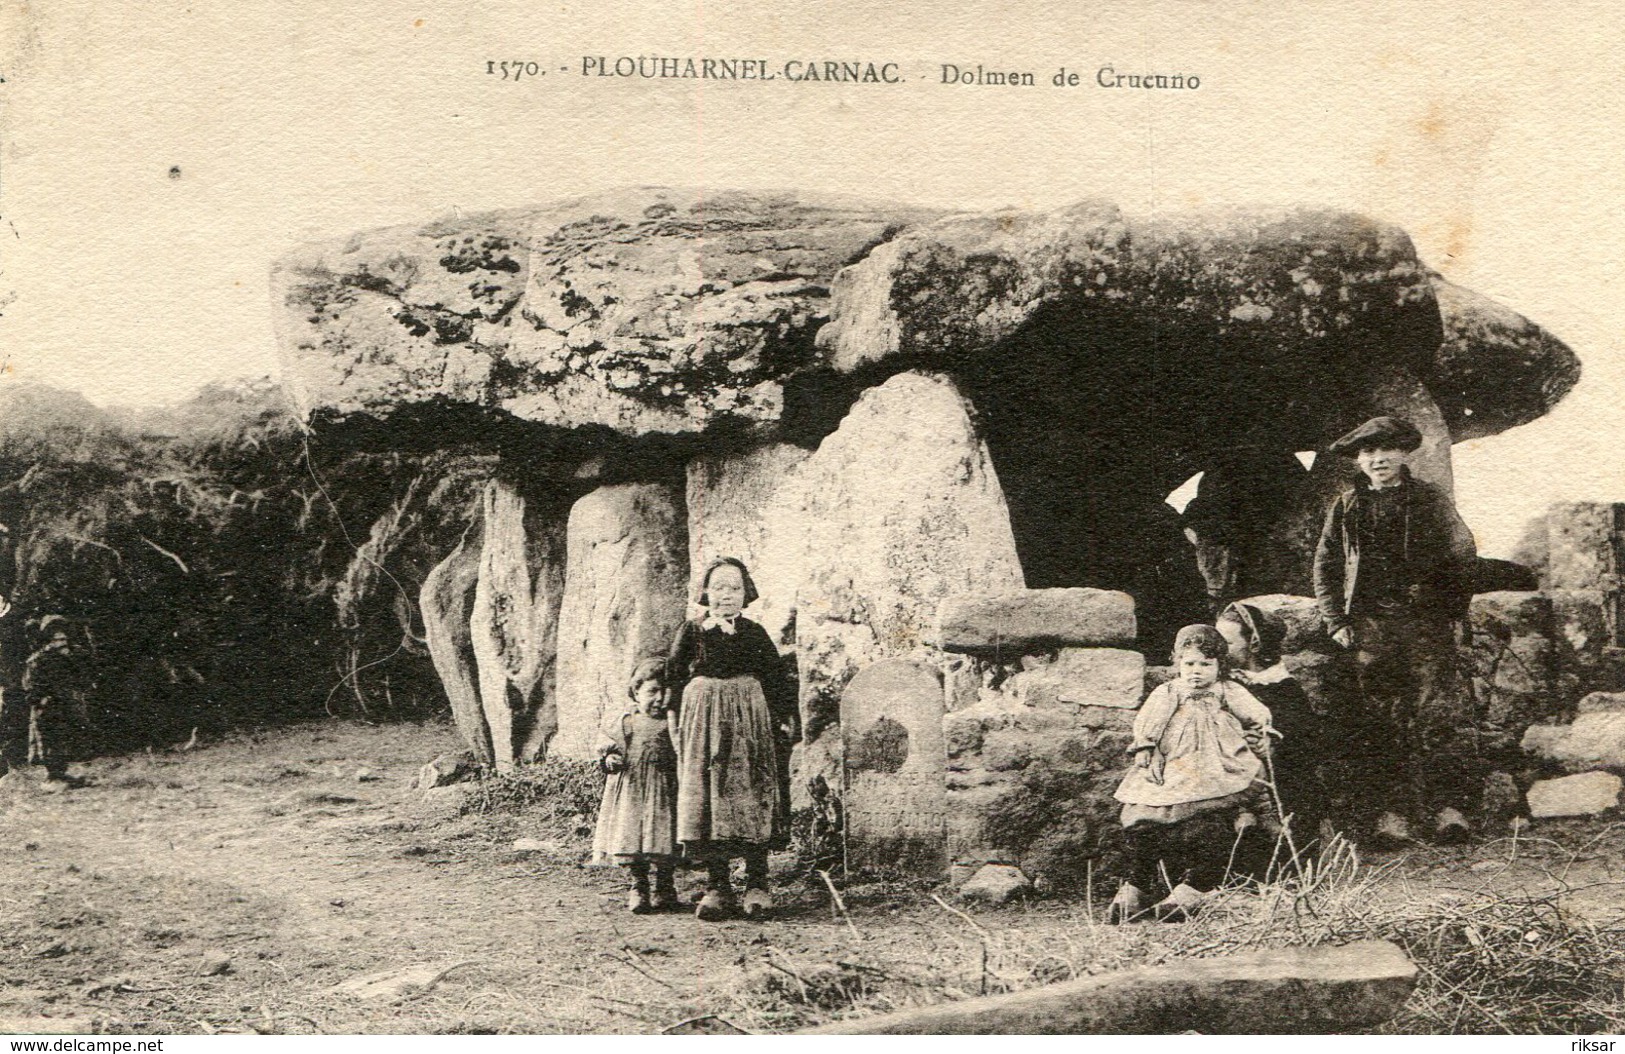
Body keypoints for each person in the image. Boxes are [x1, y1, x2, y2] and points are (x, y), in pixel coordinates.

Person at [1312, 416, 1477, 847]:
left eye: (1386, 451)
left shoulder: (1429, 500)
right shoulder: (1347, 505)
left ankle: (1448, 811)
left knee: (1436, 716)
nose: (1377, 459)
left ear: (1405, 454)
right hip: (1371, 627)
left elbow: (1461, 554)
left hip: (1425, 625)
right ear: (1359, 459)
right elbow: (1326, 566)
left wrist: (1448, 608)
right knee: (1381, 720)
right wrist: (1336, 621)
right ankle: (1392, 816)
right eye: (1368, 452)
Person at [1109, 624, 1275, 923]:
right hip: (1176, 763)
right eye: (1189, 664)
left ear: (1219, 665)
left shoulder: (1227, 690)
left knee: (1215, 811)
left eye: (1205, 665)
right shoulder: (1168, 691)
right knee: (1149, 812)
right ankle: (1137, 890)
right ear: (1177, 663)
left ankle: (1193, 889)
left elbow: (1255, 712)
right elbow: (1149, 720)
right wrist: (1145, 746)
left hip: (1218, 761)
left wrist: (1261, 731)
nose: (1196, 672)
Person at [667, 557, 797, 921]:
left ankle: (757, 883)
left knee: (750, 795)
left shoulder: (754, 633)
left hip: (749, 727)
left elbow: (776, 679)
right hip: (702, 726)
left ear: (746, 594)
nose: (727, 595)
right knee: (708, 798)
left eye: (735, 588)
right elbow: (673, 682)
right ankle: (717, 886)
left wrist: (785, 720)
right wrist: (675, 727)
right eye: (719, 587)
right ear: (705, 592)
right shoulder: (690, 632)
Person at [1216, 601, 1331, 857]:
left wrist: (1276, 744)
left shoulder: (1283, 688)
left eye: (1227, 643)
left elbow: (1308, 744)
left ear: (1254, 644)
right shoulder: (1217, 684)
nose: (1218, 651)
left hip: (1279, 782)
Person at [592, 657, 681, 914]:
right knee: (631, 833)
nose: (659, 699)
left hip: (665, 787)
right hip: (633, 789)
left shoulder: (673, 722)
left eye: (666, 692)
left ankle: (665, 886)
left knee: (665, 835)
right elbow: (609, 745)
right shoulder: (626, 721)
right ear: (636, 691)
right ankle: (638, 885)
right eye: (652, 691)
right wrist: (610, 759)